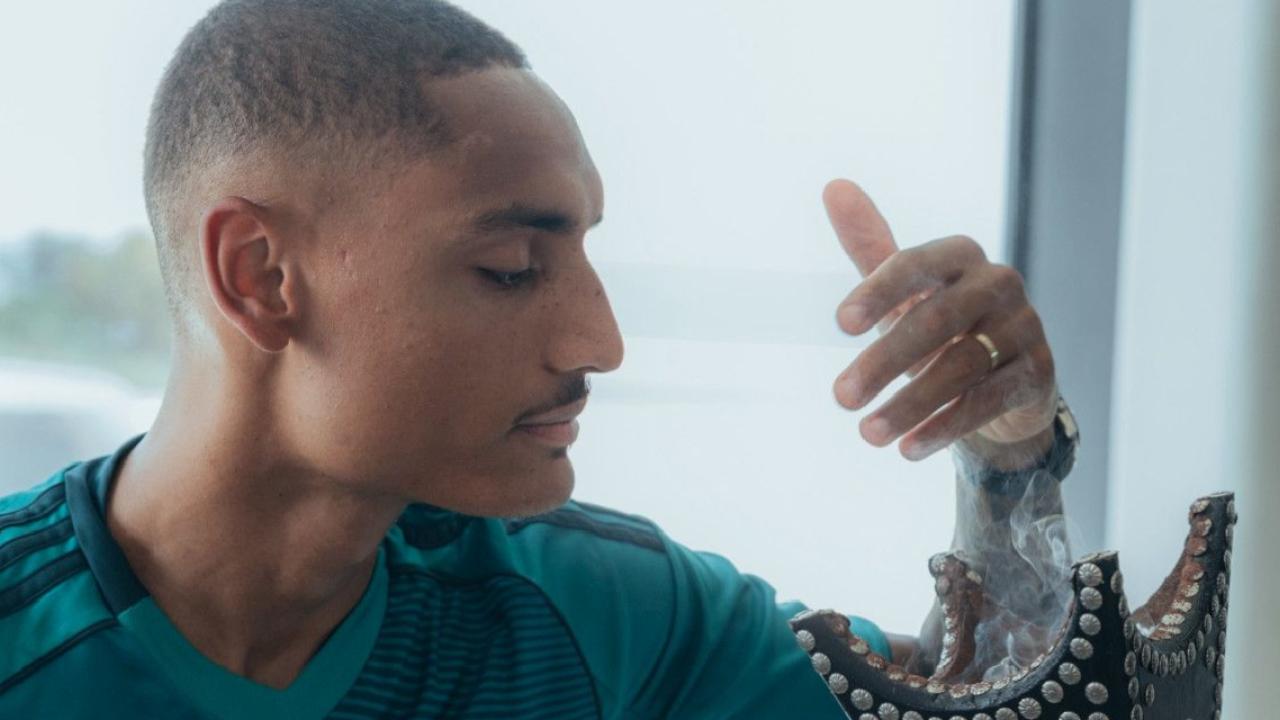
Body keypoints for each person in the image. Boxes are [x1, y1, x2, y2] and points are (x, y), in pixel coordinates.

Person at [0, 1, 1070, 717]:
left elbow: (980, 706)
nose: (599, 343)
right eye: (511, 268)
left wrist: (1009, 458)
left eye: (584, 252)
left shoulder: (614, 613)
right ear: (261, 275)